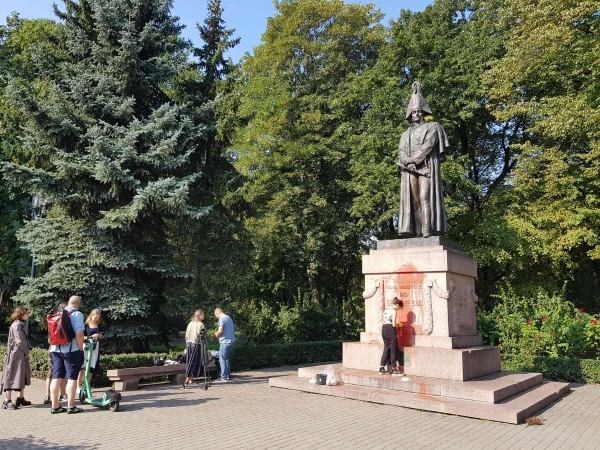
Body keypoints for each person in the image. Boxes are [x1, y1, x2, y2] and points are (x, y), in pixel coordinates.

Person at [397, 82, 449, 238]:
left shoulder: (433, 127)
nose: (417, 114)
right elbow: (401, 151)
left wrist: (414, 161)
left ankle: (427, 229)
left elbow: (427, 146)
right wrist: (408, 162)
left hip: (425, 168)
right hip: (410, 170)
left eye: (419, 111)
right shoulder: (405, 134)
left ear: (423, 112)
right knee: (414, 200)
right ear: (410, 115)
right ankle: (418, 230)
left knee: (425, 197)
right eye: (414, 112)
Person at [49, 295, 85, 414]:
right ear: (78, 305)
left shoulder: (58, 313)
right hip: (71, 350)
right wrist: (80, 348)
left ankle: (55, 406)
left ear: (68, 303)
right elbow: (79, 333)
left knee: (56, 378)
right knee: (72, 378)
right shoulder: (77, 314)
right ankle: (71, 406)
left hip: (55, 350)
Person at [1, 306, 32, 410]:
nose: (28, 314)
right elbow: (19, 341)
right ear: (21, 314)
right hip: (15, 355)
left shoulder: (20, 324)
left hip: (20, 354)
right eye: (26, 313)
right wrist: (27, 351)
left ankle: (20, 398)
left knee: (22, 375)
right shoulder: (16, 325)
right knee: (11, 376)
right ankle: (7, 400)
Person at [44, 302, 68, 405]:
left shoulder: (52, 318)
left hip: (52, 348)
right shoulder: (65, 317)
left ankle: (47, 395)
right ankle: (62, 395)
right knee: (62, 373)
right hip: (63, 348)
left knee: (50, 373)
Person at [77, 309, 104, 394]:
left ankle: (87, 385)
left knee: (91, 367)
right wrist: (92, 336)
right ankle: (78, 386)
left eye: (98, 318)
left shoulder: (99, 325)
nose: (96, 319)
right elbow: (81, 337)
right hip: (86, 346)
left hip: (95, 346)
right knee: (82, 367)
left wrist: (99, 336)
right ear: (91, 315)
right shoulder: (85, 325)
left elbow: (101, 334)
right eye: (95, 317)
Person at [379, 297, 404, 376]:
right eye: (399, 307)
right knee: (393, 349)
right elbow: (393, 324)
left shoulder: (387, 309)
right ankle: (394, 369)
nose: (399, 309)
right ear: (397, 305)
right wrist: (399, 325)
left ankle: (382, 368)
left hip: (384, 329)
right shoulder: (394, 310)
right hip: (390, 329)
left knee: (386, 348)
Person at [184, 310, 206, 387]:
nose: (204, 316)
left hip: (189, 344)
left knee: (189, 361)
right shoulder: (201, 324)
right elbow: (202, 337)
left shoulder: (190, 323)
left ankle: (187, 378)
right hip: (196, 344)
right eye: (203, 315)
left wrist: (187, 342)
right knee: (194, 362)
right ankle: (190, 380)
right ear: (199, 315)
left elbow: (187, 334)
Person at [214, 308, 235, 382]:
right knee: (226, 358)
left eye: (216, 315)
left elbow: (220, 330)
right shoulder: (229, 318)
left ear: (217, 313)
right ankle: (227, 375)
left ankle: (223, 377)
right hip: (232, 341)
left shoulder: (222, 319)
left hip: (225, 341)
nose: (216, 317)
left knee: (222, 359)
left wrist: (216, 334)